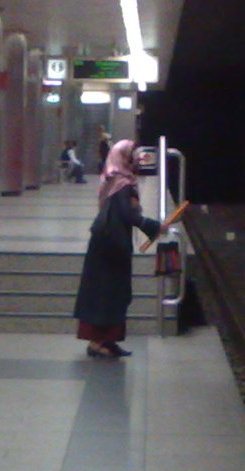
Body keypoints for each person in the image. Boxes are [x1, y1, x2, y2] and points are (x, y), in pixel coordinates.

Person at [72, 140, 188, 360]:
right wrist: (155, 227)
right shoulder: (122, 184)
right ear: (123, 158)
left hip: (105, 244)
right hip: (111, 247)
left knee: (108, 293)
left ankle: (106, 340)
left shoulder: (112, 179)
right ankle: (98, 343)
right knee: (110, 293)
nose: (136, 159)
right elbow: (129, 215)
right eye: (132, 155)